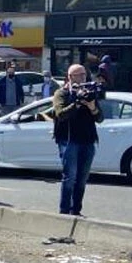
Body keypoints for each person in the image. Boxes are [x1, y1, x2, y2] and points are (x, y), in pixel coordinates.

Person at [49, 64, 104, 216]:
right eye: (78, 75)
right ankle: (64, 211)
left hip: (88, 140)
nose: (82, 78)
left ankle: (76, 211)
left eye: (84, 75)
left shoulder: (89, 92)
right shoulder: (62, 93)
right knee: (70, 178)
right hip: (69, 140)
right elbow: (60, 114)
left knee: (82, 179)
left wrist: (92, 107)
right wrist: (77, 103)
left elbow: (100, 118)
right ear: (70, 77)